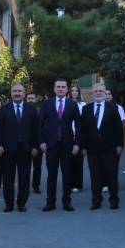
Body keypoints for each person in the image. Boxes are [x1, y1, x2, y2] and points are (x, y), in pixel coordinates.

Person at [0, 83, 40, 212]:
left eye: (19, 91)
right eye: (14, 91)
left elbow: (36, 130)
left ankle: (21, 203)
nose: (17, 93)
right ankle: (9, 204)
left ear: (24, 93)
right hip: (8, 150)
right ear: (11, 93)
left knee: (24, 179)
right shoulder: (4, 109)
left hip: (26, 150)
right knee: (8, 178)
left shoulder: (31, 109)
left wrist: (35, 146)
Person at [38, 78, 82, 211]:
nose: (61, 89)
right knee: (51, 175)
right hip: (51, 145)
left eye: (63, 87)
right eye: (58, 87)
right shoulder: (47, 104)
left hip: (68, 145)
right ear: (54, 89)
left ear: (67, 89)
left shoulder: (72, 104)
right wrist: (41, 142)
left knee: (67, 175)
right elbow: (40, 125)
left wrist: (77, 144)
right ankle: (50, 202)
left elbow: (79, 126)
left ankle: (67, 201)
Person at [79, 82, 123, 209]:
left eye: (101, 91)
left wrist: (119, 144)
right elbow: (83, 130)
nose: (98, 93)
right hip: (92, 149)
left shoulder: (113, 108)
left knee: (112, 175)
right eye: (96, 91)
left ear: (105, 93)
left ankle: (114, 200)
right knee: (95, 176)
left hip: (109, 148)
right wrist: (83, 146)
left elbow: (118, 128)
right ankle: (96, 201)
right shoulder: (86, 109)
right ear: (92, 93)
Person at [68, 84, 86, 193]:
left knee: (79, 161)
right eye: (72, 91)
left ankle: (78, 184)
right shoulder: (66, 104)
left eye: (76, 91)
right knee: (69, 161)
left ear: (79, 93)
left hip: (79, 135)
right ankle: (70, 183)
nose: (74, 92)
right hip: (68, 135)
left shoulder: (83, 105)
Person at [26, 92, 43, 194]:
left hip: (37, 143)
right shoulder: (22, 111)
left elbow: (42, 128)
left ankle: (36, 186)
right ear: (26, 99)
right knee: (25, 167)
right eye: (29, 98)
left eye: (32, 98)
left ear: (35, 100)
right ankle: (25, 186)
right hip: (25, 144)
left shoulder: (40, 111)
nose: (31, 100)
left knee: (37, 166)